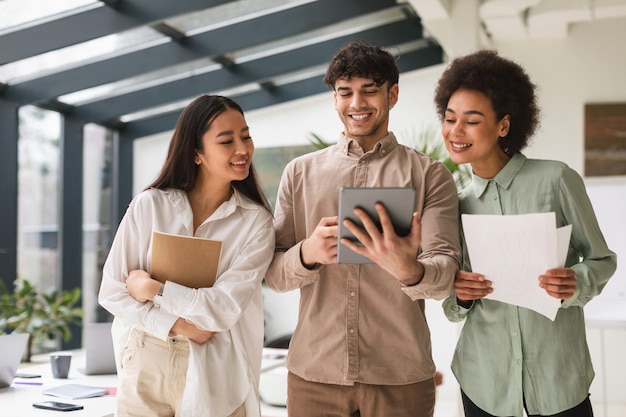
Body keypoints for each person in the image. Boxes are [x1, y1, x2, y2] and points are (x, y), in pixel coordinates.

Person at [264, 40, 461, 417]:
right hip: (314, 375)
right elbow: (273, 275)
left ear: (393, 94)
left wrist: (409, 268)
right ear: (334, 98)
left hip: (400, 375)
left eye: (370, 91)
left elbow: (446, 272)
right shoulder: (300, 173)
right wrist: (307, 254)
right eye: (345, 93)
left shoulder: (430, 175)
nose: (357, 103)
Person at [435, 50, 618, 417]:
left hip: (557, 379)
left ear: (504, 125)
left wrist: (575, 282)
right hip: (484, 381)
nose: (456, 131)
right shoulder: (456, 204)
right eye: (450, 118)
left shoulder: (556, 179)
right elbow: (452, 309)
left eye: (471, 121)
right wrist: (462, 294)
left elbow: (601, 260)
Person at [98, 95, 275, 417]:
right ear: (196, 153)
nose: (242, 149)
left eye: (246, 136)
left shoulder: (256, 223)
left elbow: (223, 310)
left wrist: (154, 289)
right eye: (227, 140)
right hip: (145, 358)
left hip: (215, 366)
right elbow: (112, 292)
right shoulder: (150, 205)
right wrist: (177, 325)